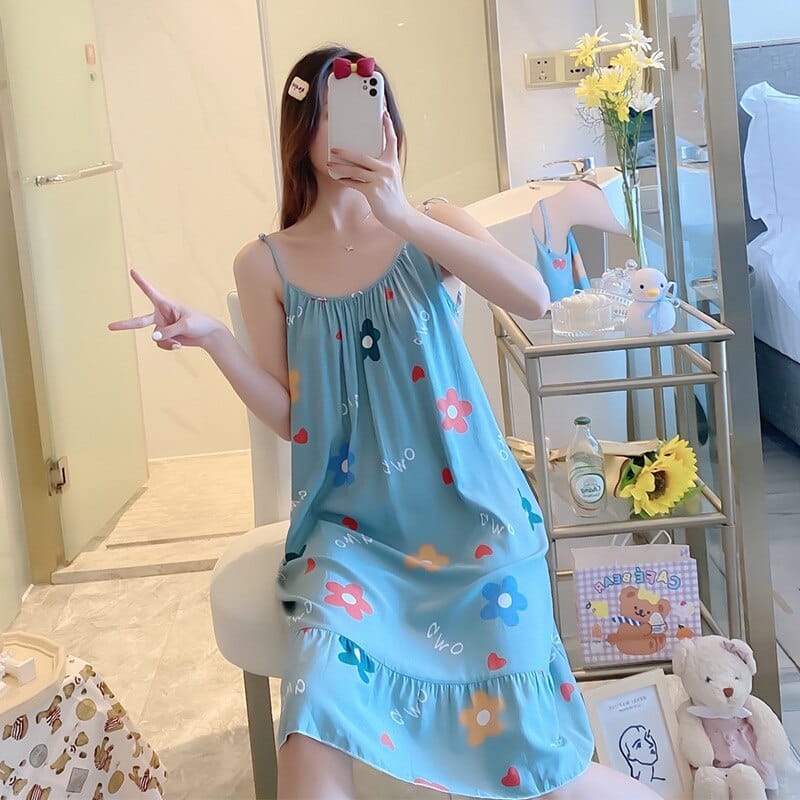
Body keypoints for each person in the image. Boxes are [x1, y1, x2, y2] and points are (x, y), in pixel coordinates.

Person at [109, 46, 660, 800]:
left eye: (371, 103)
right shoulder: (264, 265)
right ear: (301, 128)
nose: (357, 127)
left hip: (476, 520)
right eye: (334, 110)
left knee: (533, 762)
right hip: (350, 536)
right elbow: (294, 420)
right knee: (312, 720)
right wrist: (213, 338)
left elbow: (533, 298)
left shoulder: (432, 223)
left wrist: (399, 214)